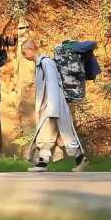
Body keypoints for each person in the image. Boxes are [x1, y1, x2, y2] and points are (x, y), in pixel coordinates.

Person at [21, 40, 89, 172]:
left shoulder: (46, 63)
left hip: (53, 106)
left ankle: (44, 164)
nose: (24, 56)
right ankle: (79, 159)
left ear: (30, 49)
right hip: (50, 106)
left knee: (55, 135)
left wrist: (52, 110)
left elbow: (52, 86)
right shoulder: (41, 64)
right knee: (58, 136)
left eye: (24, 53)